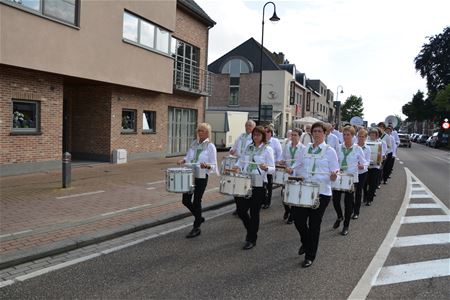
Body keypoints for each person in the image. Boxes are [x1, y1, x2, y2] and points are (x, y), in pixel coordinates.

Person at [292, 121, 339, 268]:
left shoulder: (330, 151)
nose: (317, 133)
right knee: (298, 220)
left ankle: (310, 256)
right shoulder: (304, 149)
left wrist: (333, 176)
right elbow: (298, 166)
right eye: (315, 131)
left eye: (320, 131)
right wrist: (290, 170)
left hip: (322, 192)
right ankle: (306, 243)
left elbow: (336, 172)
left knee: (314, 224)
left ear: (325, 134)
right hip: (305, 189)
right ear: (311, 133)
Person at [233, 126, 275, 250]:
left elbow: (273, 169)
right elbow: (241, 161)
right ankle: (251, 229)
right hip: (245, 181)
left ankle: (252, 238)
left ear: (262, 136)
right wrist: (237, 167)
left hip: (259, 184)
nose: (255, 137)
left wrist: (266, 168)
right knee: (241, 210)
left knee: (254, 212)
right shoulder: (248, 147)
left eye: (258, 135)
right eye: (254, 135)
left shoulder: (268, 149)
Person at [178, 123, 218, 238]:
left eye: (202, 131)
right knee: (185, 200)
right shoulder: (194, 143)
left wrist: (207, 166)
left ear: (207, 133)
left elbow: (214, 165)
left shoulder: (210, 146)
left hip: (201, 176)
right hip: (190, 175)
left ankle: (196, 227)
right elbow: (189, 156)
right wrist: (183, 160)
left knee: (196, 201)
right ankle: (199, 217)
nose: (200, 133)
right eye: (199, 130)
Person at [332, 126, 366, 236]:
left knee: (348, 202)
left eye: (348, 135)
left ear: (353, 136)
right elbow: (334, 161)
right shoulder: (338, 147)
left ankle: (346, 225)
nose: (346, 137)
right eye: (344, 134)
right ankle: (339, 216)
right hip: (339, 176)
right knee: (335, 200)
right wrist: (335, 169)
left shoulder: (357, 149)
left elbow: (364, 163)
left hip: (351, 178)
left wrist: (362, 166)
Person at [229, 120, 256, 215]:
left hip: (248, 164)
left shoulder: (254, 138)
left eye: (249, 125)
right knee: (236, 186)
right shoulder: (241, 136)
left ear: (253, 127)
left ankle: (245, 207)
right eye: (246, 125)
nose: (247, 127)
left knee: (246, 186)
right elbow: (234, 147)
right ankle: (239, 207)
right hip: (239, 163)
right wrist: (232, 150)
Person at [280, 128, 305, 224]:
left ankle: (292, 215)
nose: (293, 137)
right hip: (287, 172)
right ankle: (288, 210)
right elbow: (283, 157)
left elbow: (301, 161)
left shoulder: (303, 148)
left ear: (299, 136)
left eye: (295, 135)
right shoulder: (287, 146)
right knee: (284, 193)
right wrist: (282, 161)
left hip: (297, 174)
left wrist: (292, 168)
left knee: (294, 194)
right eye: (292, 135)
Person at [364, 128, 387, 206]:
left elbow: (383, 155)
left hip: (375, 167)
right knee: (365, 183)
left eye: (374, 135)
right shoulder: (365, 143)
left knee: (373, 183)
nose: (372, 136)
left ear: (377, 136)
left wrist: (380, 158)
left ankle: (369, 199)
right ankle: (365, 196)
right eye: (371, 134)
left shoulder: (381, 143)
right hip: (366, 167)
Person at [263, 125, 283, 209]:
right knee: (261, 185)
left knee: (269, 185)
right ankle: (262, 200)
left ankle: (268, 202)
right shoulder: (261, 141)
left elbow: (279, 153)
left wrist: (277, 161)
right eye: (265, 131)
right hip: (261, 167)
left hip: (270, 166)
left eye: (268, 132)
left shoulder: (275, 141)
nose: (266, 133)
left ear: (271, 133)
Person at [353, 128, 370, 219]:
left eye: (363, 137)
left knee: (358, 192)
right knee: (351, 191)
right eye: (359, 136)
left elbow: (367, 161)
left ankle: (356, 212)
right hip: (353, 172)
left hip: (362, 172)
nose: (360, 138)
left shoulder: (368, 148)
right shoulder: (354, 147)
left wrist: (363, 166)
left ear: (366, 138)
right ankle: (351, 208)